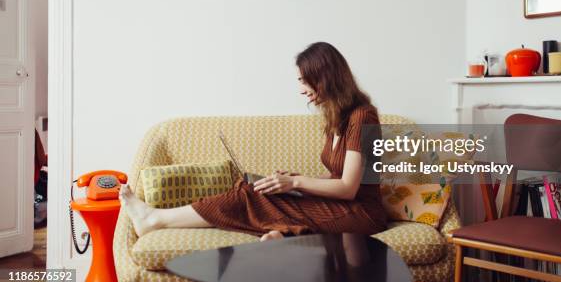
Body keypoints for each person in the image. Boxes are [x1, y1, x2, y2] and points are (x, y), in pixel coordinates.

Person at [119, 42, 386, 241]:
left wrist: (295, 183)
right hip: (342, 204)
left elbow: (349, 188)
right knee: (256, 191)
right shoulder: (335, 116)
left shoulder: (363, 116)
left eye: (305, 81)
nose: (301, 89)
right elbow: (336, 176)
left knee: (251, 195)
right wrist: (297, 181)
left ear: (325, 78)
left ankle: (155, 219)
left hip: (362, 214)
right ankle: (285, 235)